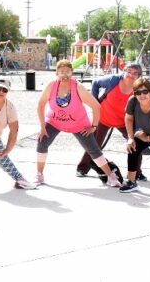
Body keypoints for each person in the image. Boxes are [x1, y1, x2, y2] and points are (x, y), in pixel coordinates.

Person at [35, 59, 122, 187]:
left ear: (72, 72)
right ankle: (39, 174)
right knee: (42, 143)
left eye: (68, 71)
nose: (65, 74)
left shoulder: (77, 87)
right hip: (54, 121)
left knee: (93, 150)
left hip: (78, 124)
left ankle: (111, 177)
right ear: (56, 73)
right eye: (61, 72)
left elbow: (96, 106)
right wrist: (42, 127)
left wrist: (93, 126)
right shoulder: (51, 86)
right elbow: (40, 105)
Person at [76, 63, 145, 182]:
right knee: (94, 145)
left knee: (136, 144)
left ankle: (136, 172)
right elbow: (96, 83)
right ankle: (82, 168)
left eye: (135, 73)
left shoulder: (140, 89)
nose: (131, 75)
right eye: (129, 71)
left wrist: (137, 130)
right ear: (124, 71)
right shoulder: (113, 80)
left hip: (124, 121)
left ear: (139, 76)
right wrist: (95, 103)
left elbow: (140, 111)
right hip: (104, 117)